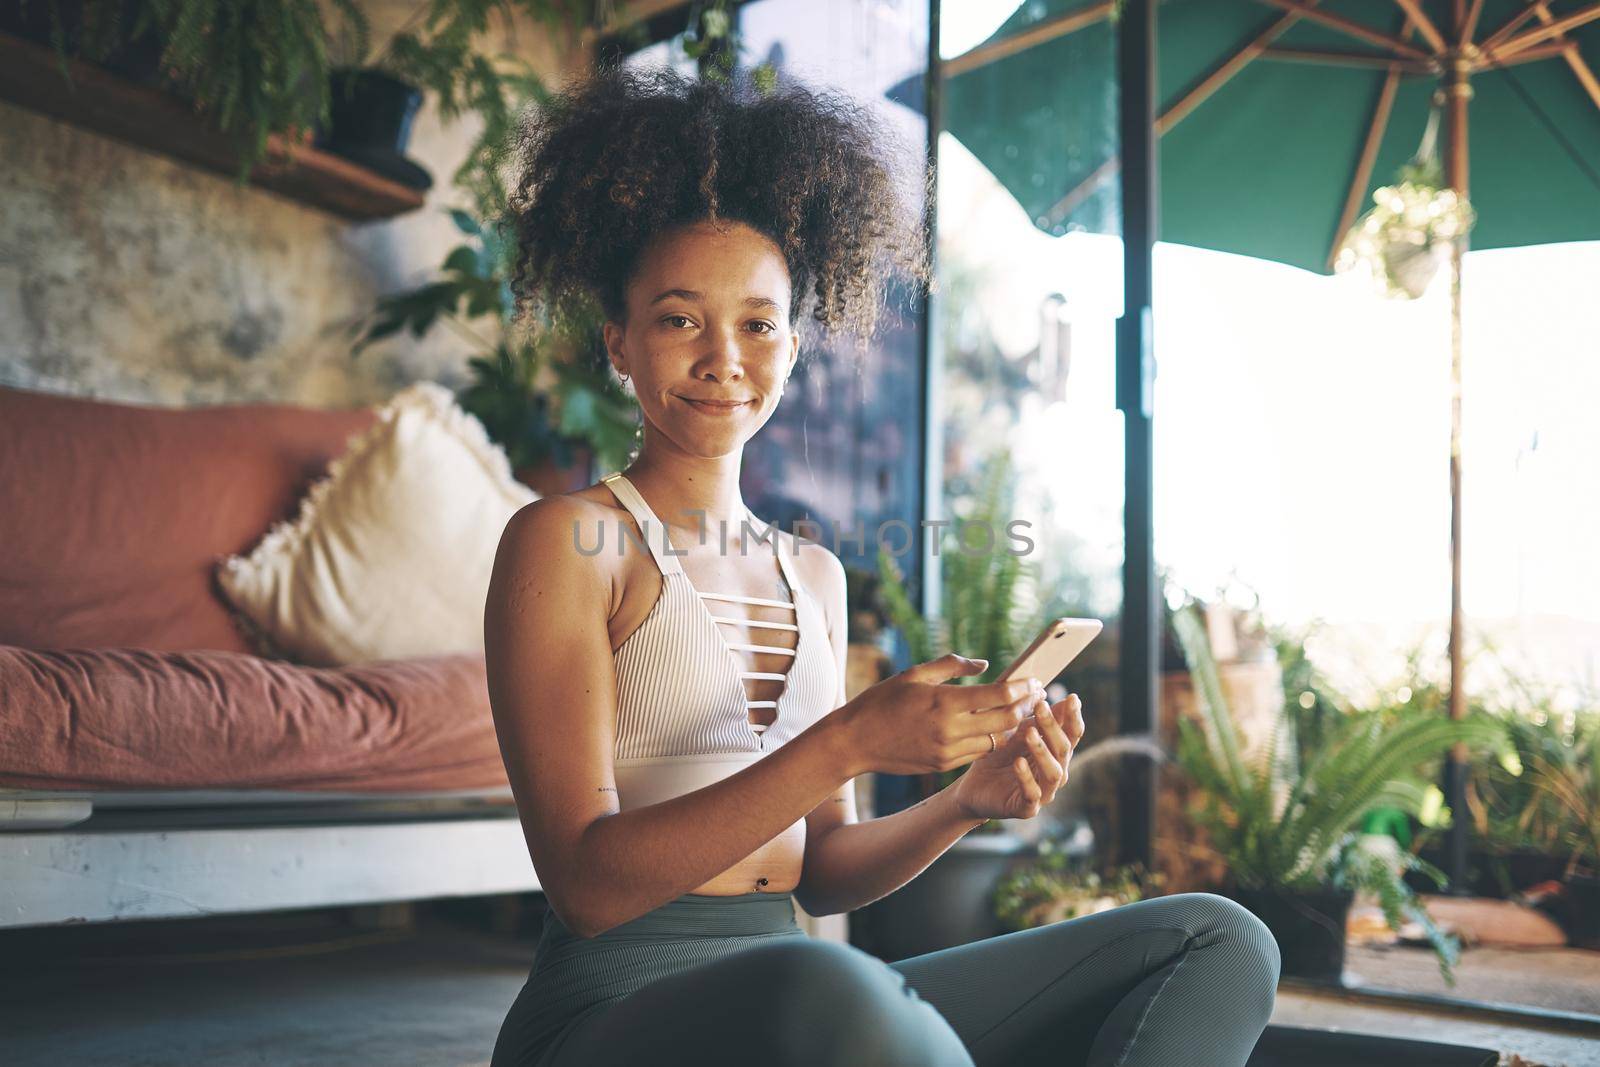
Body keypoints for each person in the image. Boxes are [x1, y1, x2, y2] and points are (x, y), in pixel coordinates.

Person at [483, 64, 1280, 1067]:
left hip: (799, 986)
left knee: (1216, 938)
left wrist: (962, 804)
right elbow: (585, 884)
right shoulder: (565, 541)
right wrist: (852, 737)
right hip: (611, 1007)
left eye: (757, 323)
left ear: (794, 345)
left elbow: (818, 871)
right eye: (680, 318)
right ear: (620, 342)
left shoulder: (811, 575)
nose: (723, 355)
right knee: (838, 984)